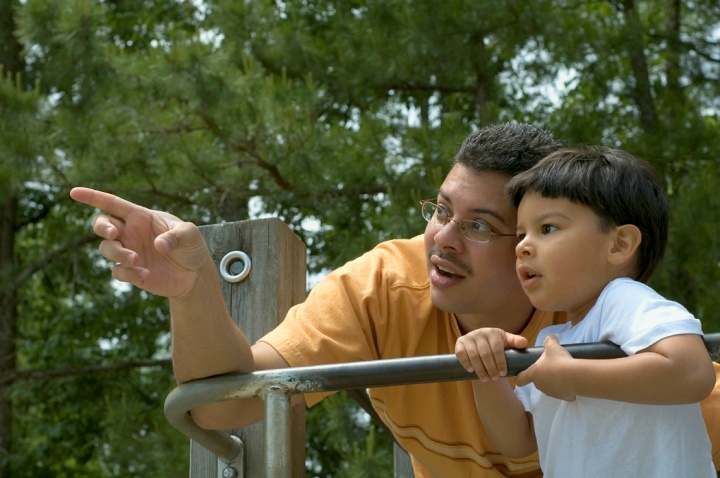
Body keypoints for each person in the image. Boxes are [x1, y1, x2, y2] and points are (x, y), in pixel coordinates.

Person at [69, 124, 720, 477]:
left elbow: (686, 378)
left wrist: (563, 371)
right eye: (441, 210)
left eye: (479, 225)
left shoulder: (603, 316)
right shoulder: (386, 286)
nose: (440, 238)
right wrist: (193, 290)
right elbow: (226, 405)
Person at [455, 146, 716, 476]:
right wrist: (486, 369)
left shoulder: (624, 300)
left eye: (547, 228)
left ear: (619, 244)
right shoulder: (555, 338)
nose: (522, 246)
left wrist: (572, 376)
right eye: (521, 234)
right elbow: (518, 440)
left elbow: (692, 372)